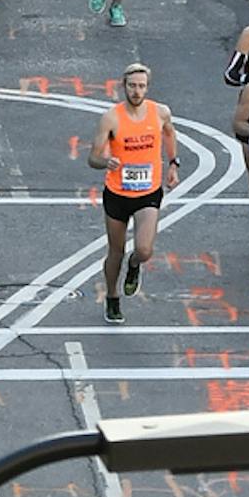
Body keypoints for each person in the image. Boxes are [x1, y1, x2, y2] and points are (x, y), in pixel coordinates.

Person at [86, 61, 176, 318]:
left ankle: (135, 265)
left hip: (148, 192)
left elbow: (170, 134)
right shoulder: (111, 118)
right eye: (133, 86)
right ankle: (112, 297)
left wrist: (173, 163)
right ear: (123, 86)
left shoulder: (160, 112)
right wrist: (106, 161)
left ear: (148, 88)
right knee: (116, 251)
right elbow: (92, 158)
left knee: (145, 250)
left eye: (142, 86)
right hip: (117, 193)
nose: (137, 91)